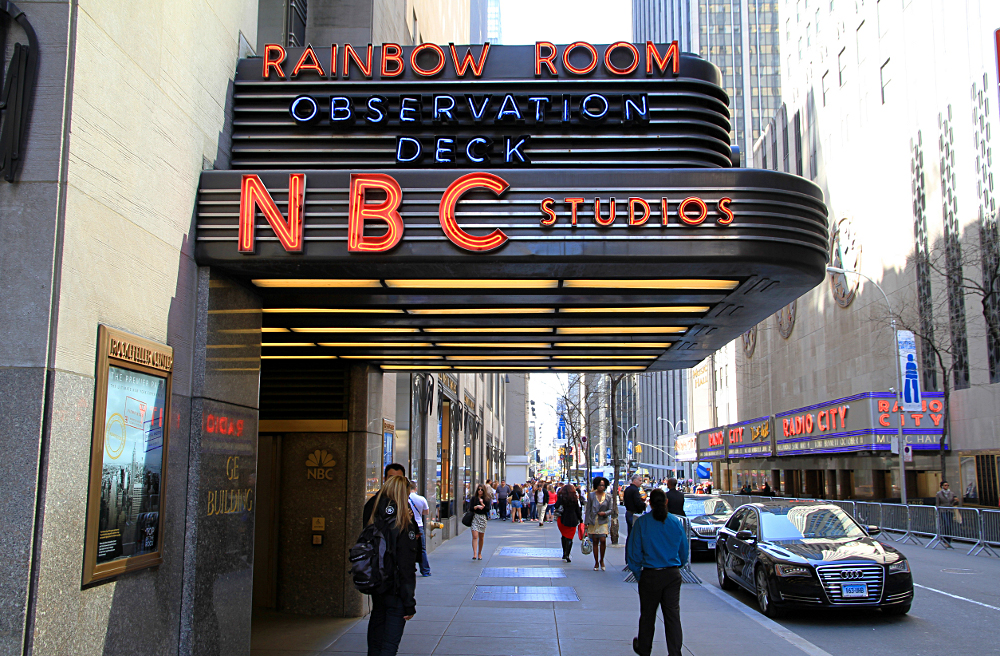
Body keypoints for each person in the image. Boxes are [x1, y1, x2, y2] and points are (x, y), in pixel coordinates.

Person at [362, 475, 420, 656]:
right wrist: (409, 602)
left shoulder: (375, 521)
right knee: (389, 645)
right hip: (395, 591)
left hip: (378, 588)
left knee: (376, 640)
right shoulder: (403, 525)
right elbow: (405, 567)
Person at [627, 489, 688, 656]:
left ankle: (644, 649)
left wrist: (639, 574)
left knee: (647, 615)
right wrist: (677, 566)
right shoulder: (675, 522)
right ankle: (675, 652)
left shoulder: (642, 523)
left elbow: (633, 554)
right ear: (666, 502)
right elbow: (683, 551)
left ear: (650, 503)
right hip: (671, 574)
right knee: (672, 616)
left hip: (650, 574)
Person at [585, 477, 616, 571]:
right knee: (595, 540)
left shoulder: (608, 496)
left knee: (603, 539)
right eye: (599, 485)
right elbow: (588, 509)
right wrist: (586, 523)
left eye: (603, 485)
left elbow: (611, 509)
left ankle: (602, 559)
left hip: (603, 521)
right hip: (593, 521)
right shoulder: (591, 495)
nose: (601, 487)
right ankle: (596, 562)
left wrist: (605, 513)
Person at [553, 483, 582, 562]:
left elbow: (556, 505)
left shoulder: (562, 497)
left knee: (564, 535)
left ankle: (564, 553)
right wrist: (581, 519)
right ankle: (567, 554)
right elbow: (578, 510)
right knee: (570, 537)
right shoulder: (575, 498)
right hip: (573, 519)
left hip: (562, 518)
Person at [408, 481, 431, 577]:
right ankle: (425, 570)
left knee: (407, 548)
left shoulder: (406, 499)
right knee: (422, 548)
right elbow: (426, 512)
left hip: (408, 525)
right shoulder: (422, 499)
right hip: (419, 525)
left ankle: (409, 569)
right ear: (415, 488)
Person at [470, 484, 491, 559]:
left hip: (483, 518)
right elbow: (470, 508)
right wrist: (476, 507)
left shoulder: (487, 499)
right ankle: (475, 553)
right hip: (475, 517)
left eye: (482, 489)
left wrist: (482, 504)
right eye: (479, 489)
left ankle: (479, 553)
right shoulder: (474, 498)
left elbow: (488, 509)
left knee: (481, 537)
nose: (480, 491)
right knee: (475, 536)